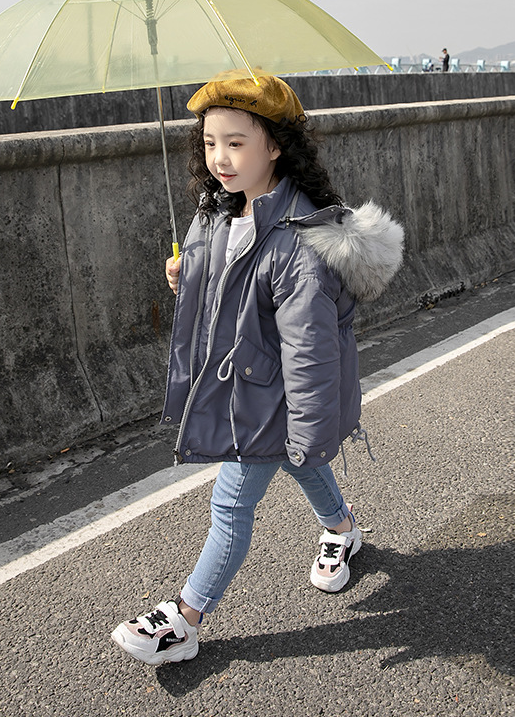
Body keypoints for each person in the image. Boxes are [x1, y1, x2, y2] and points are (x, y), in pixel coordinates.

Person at [111, 73, 404, 666]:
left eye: (236, 143)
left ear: (275, 146)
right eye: (211, 142)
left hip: (271, 395)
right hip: (245, 386)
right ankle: (343, 529)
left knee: (232, 503)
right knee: (300, 466)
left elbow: (311, 350)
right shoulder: (220, 210)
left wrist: (311, 429)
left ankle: (185, 620)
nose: (220, 157)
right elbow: (223, 285)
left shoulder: (296, 242)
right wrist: (185, 273)